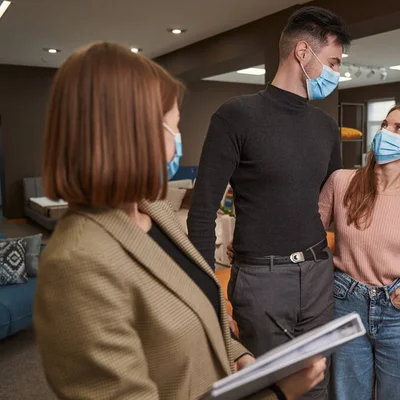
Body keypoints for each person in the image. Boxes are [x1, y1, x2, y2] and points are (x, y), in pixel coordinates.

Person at [34, 42, 326, 400]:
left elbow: (197, 307)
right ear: (133, 135)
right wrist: (277, 393)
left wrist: (239, 355)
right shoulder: (77, 265)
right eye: (174, 127)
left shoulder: (153, 211)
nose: (179, 147)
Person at [189, 7, 400, 400]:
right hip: (263, 281)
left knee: (320, 386)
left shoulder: (324, 126)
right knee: (270, 390)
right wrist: (207, 298)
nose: (337, 72)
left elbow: (338, 201)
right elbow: (202, 214)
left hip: (322, 277)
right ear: (303, 53)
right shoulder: (235, 116)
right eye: (335, 61)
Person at [318, 104, 400, 400]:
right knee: (346, 395)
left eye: (398, 129)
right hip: (346, 303)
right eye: (385, 124)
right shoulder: (341, 181)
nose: (386, 132)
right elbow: (309, 233)